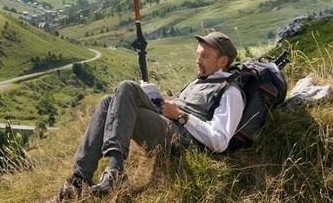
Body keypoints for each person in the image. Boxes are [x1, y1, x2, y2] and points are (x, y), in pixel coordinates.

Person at [56, 31, 245, 200]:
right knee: (108, 101)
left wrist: (181, 116)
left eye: (204, 56)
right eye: (197, 55)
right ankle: (79, 179)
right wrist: (155, 99)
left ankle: (115, 170)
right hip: (168, 123)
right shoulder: (201, 80)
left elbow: (219, 141)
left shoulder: (230, 92)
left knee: (126, 87)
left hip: (182, 141)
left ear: (222, 61)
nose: (198, 60)